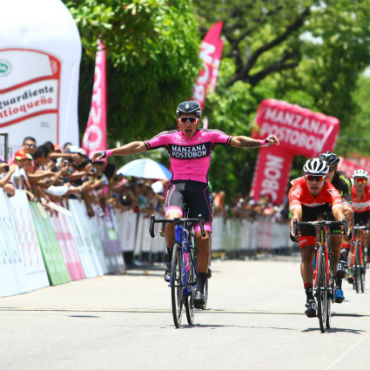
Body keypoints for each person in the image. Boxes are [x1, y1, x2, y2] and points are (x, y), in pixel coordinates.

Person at [92, 100, 279, 308]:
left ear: (198, 120)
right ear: (178, 121)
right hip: (177, 188)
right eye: (184, 120)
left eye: (192, 119)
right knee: (171, 219)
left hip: (199, 189)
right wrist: (110, 152)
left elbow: (236, 140)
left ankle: (200, 285)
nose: (188, 123)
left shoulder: (210, 136)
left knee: (203, 236)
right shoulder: (168, 137)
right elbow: (139, 145)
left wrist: (262, 142)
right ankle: (170, 259)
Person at [289, 158, 346, 318]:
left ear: (324, 178)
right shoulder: (297, 187)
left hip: (325, 211)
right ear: (305, 177)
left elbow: (337, 207)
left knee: (336, 236)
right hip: (304, 214)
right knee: (307, 254)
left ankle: (334, 274)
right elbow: (296, 211)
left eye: (318, 178)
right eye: (310, 177)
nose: (314, 182)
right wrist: (294, 226)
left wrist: (342, 220)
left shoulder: (330, 188)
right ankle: (309, 297)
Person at [318, 151, 353, 279]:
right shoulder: (315, 177)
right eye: (324, 168)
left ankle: (337, 282)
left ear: (336, 169)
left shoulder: (343, 180)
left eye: (330, 169)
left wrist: (345, 225)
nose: (327, 172)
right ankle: (317, 261)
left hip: (337, 207)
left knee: (336, 243)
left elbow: (347, 205)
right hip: (320, 208)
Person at [348, 169, 370, 282]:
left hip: (367, 214)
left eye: (363, 180)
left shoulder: (369, 191)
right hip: (354, 215)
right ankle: (352, 270)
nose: (360, 183)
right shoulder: (350, 191)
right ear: (354, 181)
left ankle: (367, 252)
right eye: (358, 180)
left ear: (366, 181)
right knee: (351, 241)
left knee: (367, 233)